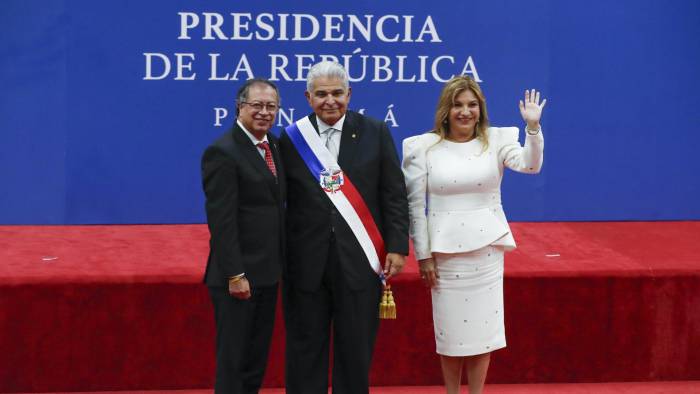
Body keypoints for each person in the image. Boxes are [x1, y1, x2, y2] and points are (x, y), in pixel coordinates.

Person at [402, 76, 546, 394]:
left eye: (472, 105)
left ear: (480, 109)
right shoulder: (422, 147)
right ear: (446, 109)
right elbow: (415, 207)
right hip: (444, 256)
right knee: (451, 335)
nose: (465, 112)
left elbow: (531, 165)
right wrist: (422, 255)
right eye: (457, 105)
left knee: (483, 334)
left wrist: (532, 130)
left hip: (487, 252)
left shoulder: (497, 140)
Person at [279, 61, 409, 394]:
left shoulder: (375, 132)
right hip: (306, 261)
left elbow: (393, 194)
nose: (330, 101)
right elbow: (281, 200)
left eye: (337, 93)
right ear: (308, 97)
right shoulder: (292, 139)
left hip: (359, 261)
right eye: (321, 94)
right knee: (305, 350)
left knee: (355, 351)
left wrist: (397, 245)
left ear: (349, 95)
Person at [201, 78, 285, 394]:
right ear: (240, 107)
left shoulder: (274, 146)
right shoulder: (222, 151)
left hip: (268, 273)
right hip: (237, 278)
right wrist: (235, 274)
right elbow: (221, 221)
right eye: (257, 106)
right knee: (233, 362)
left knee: (255, 360)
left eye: (271, 106)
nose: (264, 112)